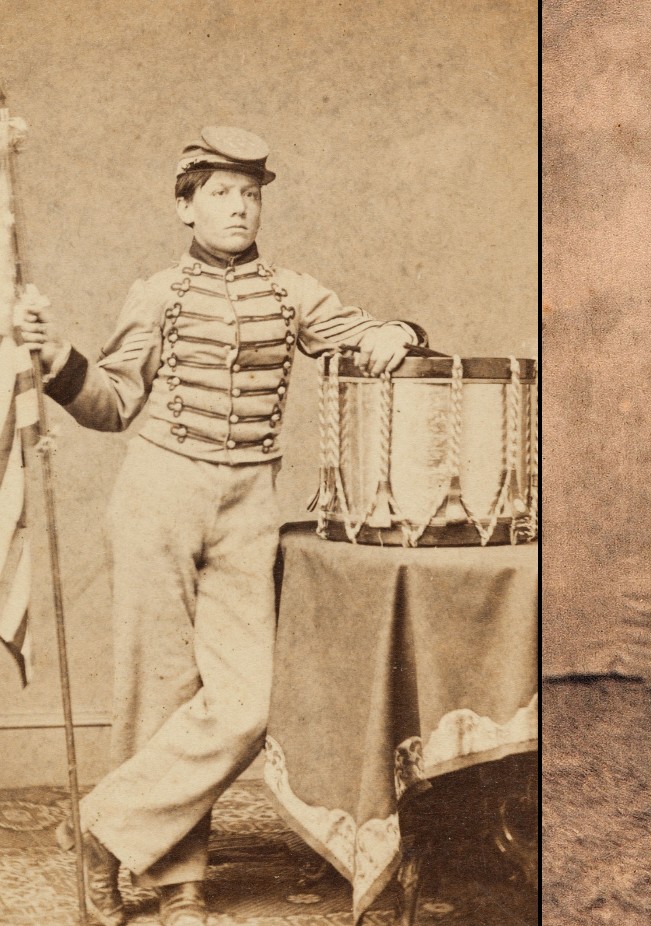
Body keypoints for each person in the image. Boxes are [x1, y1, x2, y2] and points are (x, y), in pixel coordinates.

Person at [17, 127, 426, 926]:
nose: (239, 207)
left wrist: (393, 335)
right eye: (220, 193)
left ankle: (104, 827)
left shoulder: (291, 292)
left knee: (245, 700)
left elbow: (365, 331)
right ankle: (179, 884)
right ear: (185, 206)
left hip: (250, 505)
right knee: (159, 692)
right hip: (157, 493)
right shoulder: (156, 294)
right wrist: (57, 357)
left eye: (250, 194)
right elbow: (111, 405)